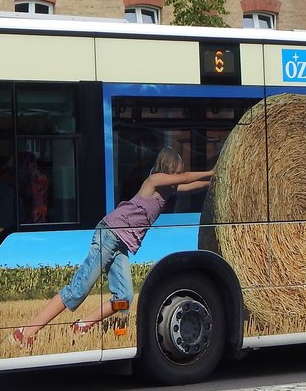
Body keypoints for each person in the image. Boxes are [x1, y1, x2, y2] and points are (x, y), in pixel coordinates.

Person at [12, 147, 212, 345]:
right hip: (110, 234)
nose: (179, 174)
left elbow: (191, 185)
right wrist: (211, 171)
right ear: (168, 168)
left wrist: (214, 180)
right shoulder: (154, 180)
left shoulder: (168, 191)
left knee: (124, 295)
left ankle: (82, 326)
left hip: (121, 241)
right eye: (177, 170)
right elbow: (185, 178)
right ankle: (26, 332)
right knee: (77, 290)